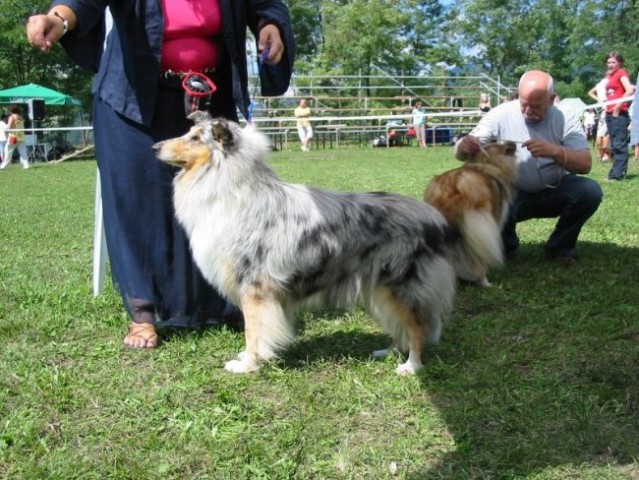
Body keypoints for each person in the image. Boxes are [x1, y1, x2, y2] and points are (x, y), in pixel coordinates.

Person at [26, 1, 295, 348]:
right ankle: (143, 314)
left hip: (209, 95)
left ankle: (224, 302)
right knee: (138, 204)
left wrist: (267, 24)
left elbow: (264, 4)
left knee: (222, 205)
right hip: (132, 100)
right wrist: (59, 19)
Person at [454, 70, 603, 264]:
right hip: (510, 194)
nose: (528, 111)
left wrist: (554, 151)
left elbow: (585, 164)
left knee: (590, 191)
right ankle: (506, 246)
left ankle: (561, 246)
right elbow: (462, 151)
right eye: (524, 104)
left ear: (551, 99)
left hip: (555, 190)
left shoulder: (565, 116)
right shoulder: (500, 114)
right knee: (486, 191)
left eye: (536, 106)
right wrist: (463, 146)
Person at [602, 51, 634, 181]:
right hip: (609, 113)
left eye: (614, 62)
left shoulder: (621, 73)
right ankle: (615, 173)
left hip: (619, 114)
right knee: (614, 145)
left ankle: (617, 175)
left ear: (619, 63)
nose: (611, 65)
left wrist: (618, 106)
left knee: (619, 144)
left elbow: (630, 90)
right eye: (609, 62)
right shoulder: (611, 76)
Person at [587, 77, 610, 161]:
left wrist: (598, 100)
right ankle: (606, 155)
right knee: (606, 133)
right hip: (607, 106)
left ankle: (600, 154)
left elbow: (590, 92)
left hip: (599, 107)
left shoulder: (599, 84)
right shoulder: (609, 81)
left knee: (600, 133)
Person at [0, 105, 30, 170]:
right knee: (23, 151)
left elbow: (9, 127)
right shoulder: (21, 117)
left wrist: (4, 126)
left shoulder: (12, 117)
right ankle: (26, 165)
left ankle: (4, 165)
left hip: (13, 137)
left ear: (11, 110)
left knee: (8, 151)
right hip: (21, 136)